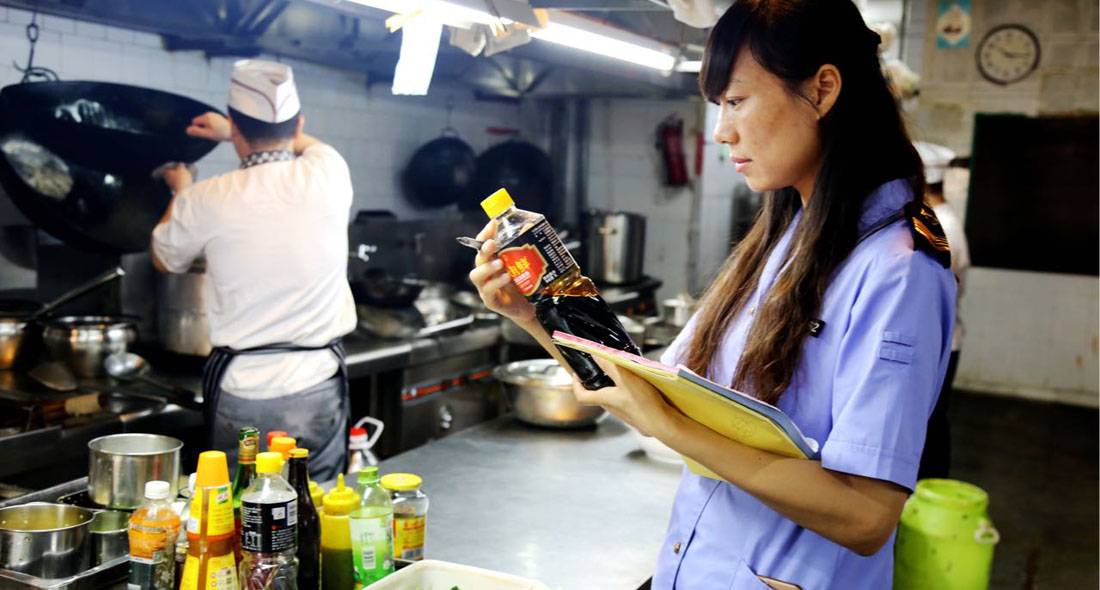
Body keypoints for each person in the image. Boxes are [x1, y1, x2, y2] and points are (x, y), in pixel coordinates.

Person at [468, 1, 955, 588]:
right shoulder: (786, 239)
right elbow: (651, 388)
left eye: (736, 100)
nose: (722, 130)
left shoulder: (898, 269)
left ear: (823, 90)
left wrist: (670, 429)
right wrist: (535, 313)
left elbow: (867, 516)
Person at [151, 59, 356, 481]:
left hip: (242, 390)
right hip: (316, 380)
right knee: (315, 502)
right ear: (298, 124)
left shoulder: (207, 196)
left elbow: (164, 257)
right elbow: (306, 143)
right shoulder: (329, 172)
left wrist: (180, 188)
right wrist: (238, 132)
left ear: (235, 128)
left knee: (240, 509)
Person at [915, 141, 971, 480]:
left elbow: (934, 291)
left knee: (931, 423)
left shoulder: (941, 227)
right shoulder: (938, 219)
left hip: (938, 343)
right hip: (940, 340)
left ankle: (930, 491)